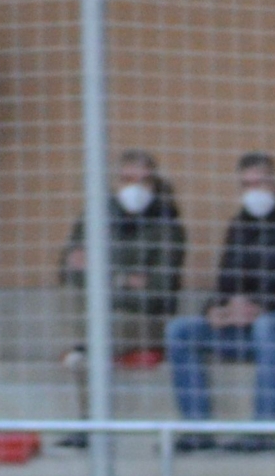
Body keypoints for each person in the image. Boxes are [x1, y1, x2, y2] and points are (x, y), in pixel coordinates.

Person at [166, 154, 275, 454]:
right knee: (182, 330)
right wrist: (217, 310)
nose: (253, 191)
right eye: (246, 185)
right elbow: (225, 284)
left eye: (259, 182)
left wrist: (260, 307)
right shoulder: (239, 226)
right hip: (252, 329)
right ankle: (198, 429)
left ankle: (263, 432)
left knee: (267, 326)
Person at [56, 151, 186, 447]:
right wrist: (126, 279)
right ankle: (83, 351)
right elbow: (69, 269)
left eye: (143, 180)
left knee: (90, 342)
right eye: (128, 179)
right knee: (77, 308)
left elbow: (158, 293)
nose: (135, 187)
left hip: (146, 320)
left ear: (155, 184)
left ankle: (92, 423)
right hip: (100, 314)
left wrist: (102, 275)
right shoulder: (95, 216)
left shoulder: (168, 227)